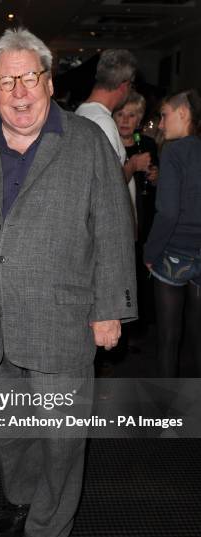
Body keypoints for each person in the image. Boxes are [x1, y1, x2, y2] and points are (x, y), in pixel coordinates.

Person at [0, 28, 137, 537]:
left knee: (61, 440)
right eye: (6, 81)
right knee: (6, 431)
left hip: (61, 321)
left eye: (29, 78)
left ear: (49, 82)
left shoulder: (85, 142)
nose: (19, 91)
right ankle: (24, 499)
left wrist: (111, 309)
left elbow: (113, 229)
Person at [144, 89, 201, 377]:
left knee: (168, 340)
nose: (162, 125)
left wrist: (150, 252)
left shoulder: (175, 152)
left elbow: (167, 212)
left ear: (183, 113)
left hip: (175, 253)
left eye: (164, 116)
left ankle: (168, 414)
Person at [76, 49, 149, 225]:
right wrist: (132, 165)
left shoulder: (81, 112)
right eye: (131, 86)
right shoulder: (103, 123)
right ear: (124, 86)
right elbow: (109, 185)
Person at [114, 91, 159, 330]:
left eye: (131, 115)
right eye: (120, 114)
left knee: (144, 275)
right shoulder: (109, 145)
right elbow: (111, 186)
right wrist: (133, 166)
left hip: (146, 221)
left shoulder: (148, 143)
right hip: (122, 225)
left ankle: (142, 324)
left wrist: (155, 178)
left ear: (139, 119)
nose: (125, 120)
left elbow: (155, 188)